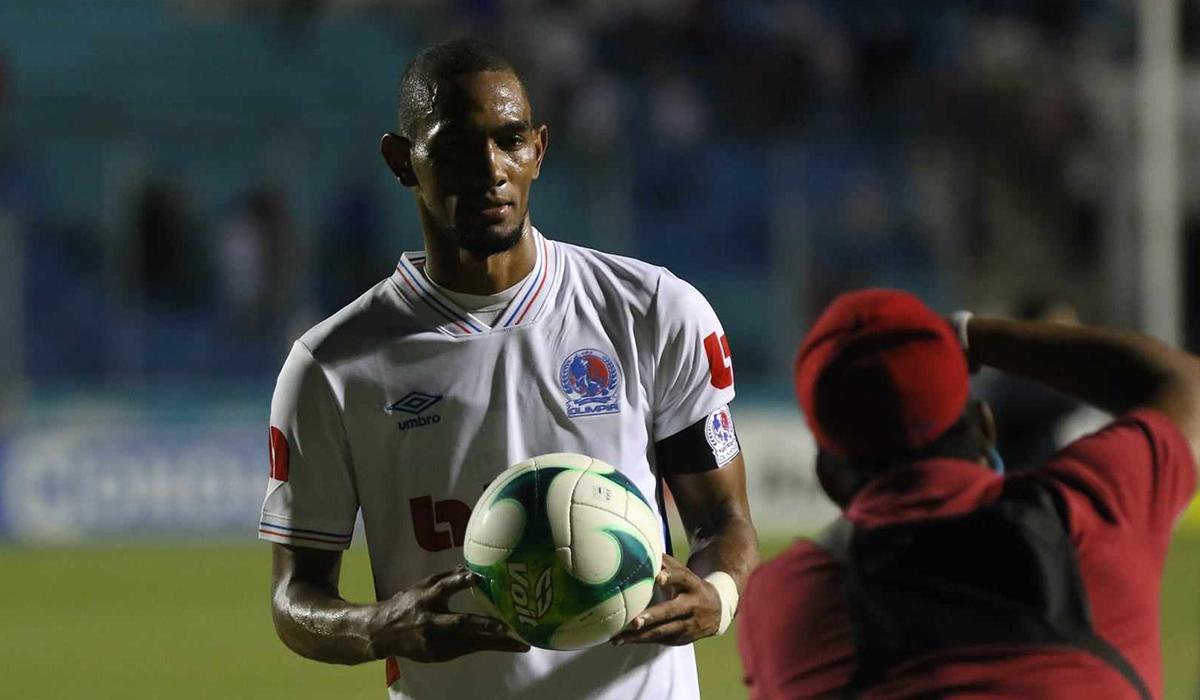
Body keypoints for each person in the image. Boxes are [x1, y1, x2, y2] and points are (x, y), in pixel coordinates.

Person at [261, 38, 758, 700]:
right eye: (457, 146)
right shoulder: (333, 368)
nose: (490, 168)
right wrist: (381, 625)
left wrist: (718, 597)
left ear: (539, 152)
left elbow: (725, 521)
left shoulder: (652, 310)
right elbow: (295, 598)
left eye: (510, 140)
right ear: (402, 161)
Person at [738, 288, 1200, 699]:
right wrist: (971, 336)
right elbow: (1186, 385)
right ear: (984, 426)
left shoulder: (784, 602)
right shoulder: (1095, 507)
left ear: (827, 477)